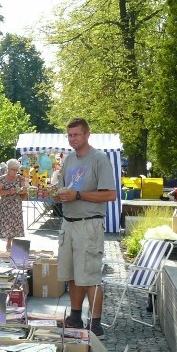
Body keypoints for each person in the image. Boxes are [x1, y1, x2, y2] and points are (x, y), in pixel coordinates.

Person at [54, 118, 117, 339]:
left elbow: (110, 194)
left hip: (89, 224)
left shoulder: (99, 159)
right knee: (72, 275)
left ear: (87, 134)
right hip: (68, 224)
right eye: (70, 135)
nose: (73, 139)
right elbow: (65, 189)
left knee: (90, 276)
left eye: (77, 135)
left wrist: (78, 195)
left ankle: (96, 324)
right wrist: (56, 193)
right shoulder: (69, 159)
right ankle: (75, 317)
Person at [0, 159, 26, 252]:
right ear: (8, 168)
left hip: (16, 204)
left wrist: (23, 188)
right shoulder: (1, 178)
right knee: (1, 223)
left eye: (16, 170)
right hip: (5, 203)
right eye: (13, 169)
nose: (15, 172)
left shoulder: (19, 178)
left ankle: (9, 244)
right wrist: (8, 191)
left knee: (13, 224)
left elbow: (24, 190)